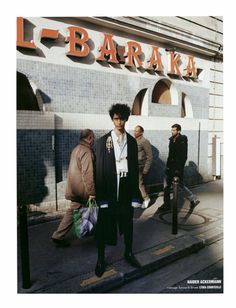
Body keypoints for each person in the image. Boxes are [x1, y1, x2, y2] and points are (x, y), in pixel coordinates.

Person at [95, 103, 141, 277]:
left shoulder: (131, 141)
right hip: (108, 191)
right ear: (112, 119)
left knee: (127, 224)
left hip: (125, 190)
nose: (119, 122)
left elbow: (135, 169)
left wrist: (135, 194)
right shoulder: (102, 142)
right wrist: (102, 198)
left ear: (126, 119)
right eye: (116, 118)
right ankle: (100, 259)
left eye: (122, 118)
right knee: (103, 227)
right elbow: (99, 171)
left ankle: (128, 253)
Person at [51, 129, 96, 247]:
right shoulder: (86, 151)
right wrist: (92, 192)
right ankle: (94, 232)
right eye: (93, 138)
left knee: (72, 211)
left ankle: (58, 235)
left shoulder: (76, 149)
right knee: (94, 209)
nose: (93, 141)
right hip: (83, 190)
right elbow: (88, 173)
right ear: (90, 138)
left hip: (75, 189)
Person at [159, 124, 200, 212]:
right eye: (172, 130)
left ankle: (193, 199)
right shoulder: (171, 140)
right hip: (169, 167)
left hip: (177, 168)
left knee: (181, 185)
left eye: (174, 130)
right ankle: (166, 205)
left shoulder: (183, 140)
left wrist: (178, 169)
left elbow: (184, 156)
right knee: (166, 186)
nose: (172, 131)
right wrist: (167, 166)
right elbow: (170, 155)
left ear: (179, 131)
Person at [134, 125, 153, 209]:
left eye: (137, 131)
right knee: (135, 183)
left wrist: (146, 168)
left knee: (139, 184)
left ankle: (146, 199)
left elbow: (150, 156)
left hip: (141, 166)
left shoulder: (145, 141)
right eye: (134, 131)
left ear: (141, 132)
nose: (135, 132)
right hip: (134, 166)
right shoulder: (134, 141)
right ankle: (138, 200)